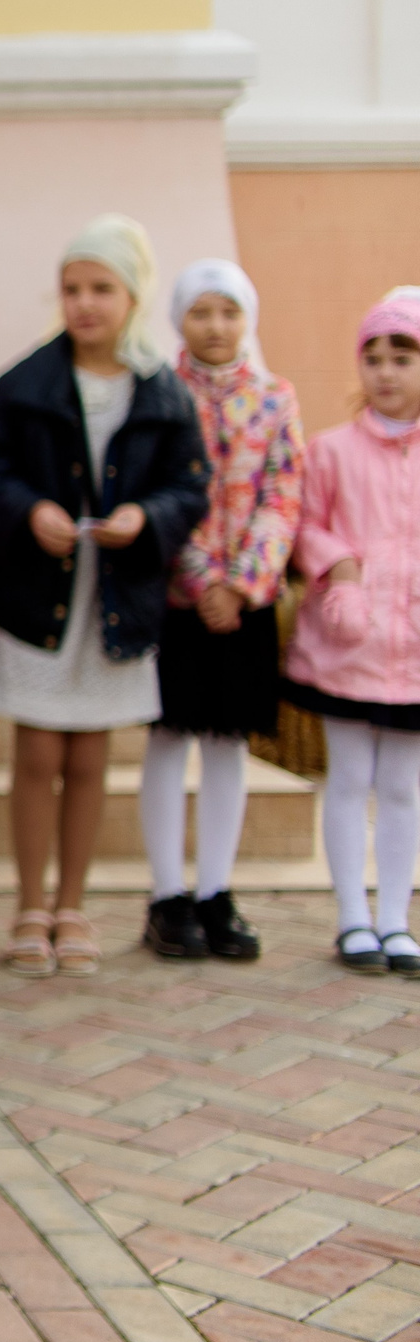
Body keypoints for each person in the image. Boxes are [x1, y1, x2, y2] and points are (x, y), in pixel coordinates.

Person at [0, 216, 208, 978]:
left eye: (101, 287)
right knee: (37, 751)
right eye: (72, 288)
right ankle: (28, 904)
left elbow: (188, 485)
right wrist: (28, 511)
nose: (85, 303)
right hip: (39, 601)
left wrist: (146, 519)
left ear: (132, 295)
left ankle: (73, 903)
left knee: (92, 756)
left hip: (115, 601)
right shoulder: (24, 383)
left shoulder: (162, 391)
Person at [139, 261, 301, 962]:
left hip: (245, 603)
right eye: (201, 311)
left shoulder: (275, 399)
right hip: (178, 601)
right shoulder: (159, 396)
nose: (216, 326)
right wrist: (201, 575)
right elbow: (162, 489)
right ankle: (168, 895)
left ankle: (216, 890)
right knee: (170, 738)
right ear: (180, 319)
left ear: (247, 319)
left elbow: (284, 495)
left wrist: (242, 583)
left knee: (228, 741)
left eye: (229, 312)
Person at [282, 296, 420, 974]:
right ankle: (352, 917)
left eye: (403, 356)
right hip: (348, 645)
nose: (386, 371)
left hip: (414, 652)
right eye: (374, 357)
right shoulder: (331, 451)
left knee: (402, 784)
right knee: (349, 777)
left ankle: (395, 918)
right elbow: (305, 523)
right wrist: (338, 565)